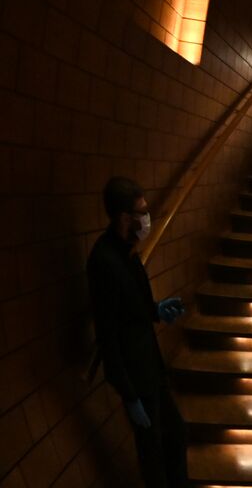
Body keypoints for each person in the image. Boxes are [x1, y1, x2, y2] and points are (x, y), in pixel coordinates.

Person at [87, 177, 188, 488]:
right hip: (135, 376)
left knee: (175, 433)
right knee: (152, 453)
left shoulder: (127, 251)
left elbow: (131, 307)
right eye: (141, 212)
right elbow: (108, 332)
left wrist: (155, 310)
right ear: (123, 218)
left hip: (151, 366)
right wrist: (129, 396)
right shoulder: (103, 261)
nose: (147, 218)